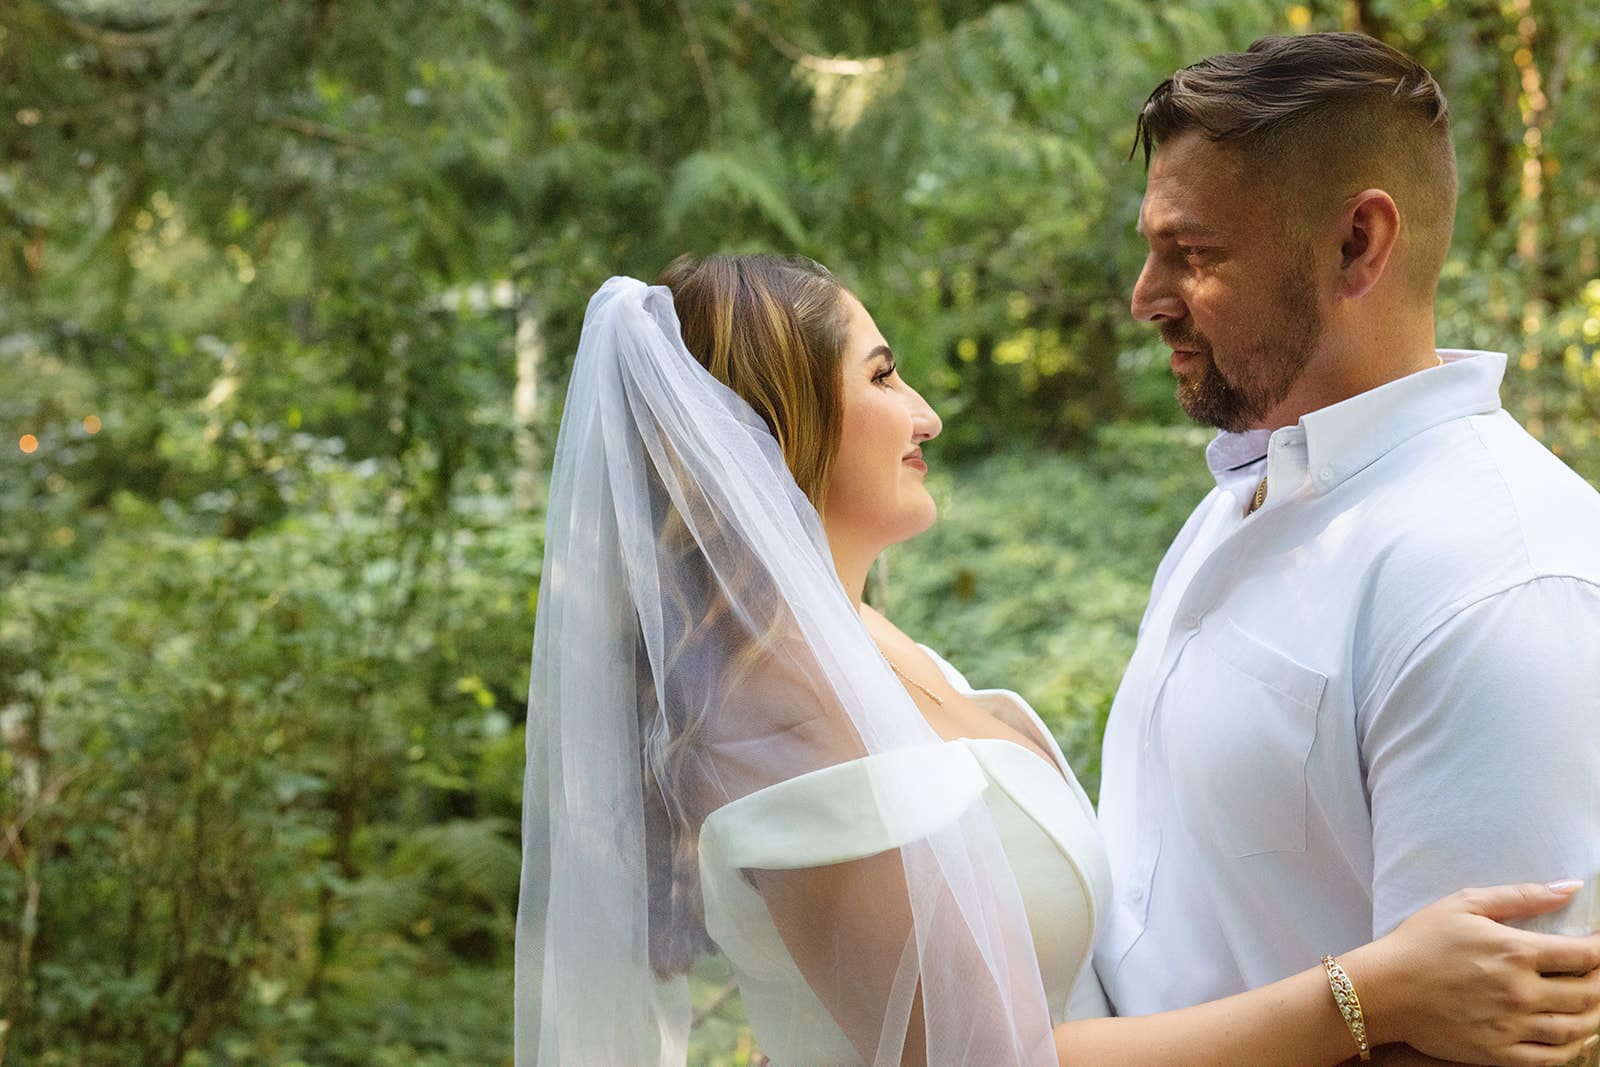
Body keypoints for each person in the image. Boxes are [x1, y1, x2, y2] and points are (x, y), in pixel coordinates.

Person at [515, 253, 1600, 1067]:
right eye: (882, 376)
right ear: (771, 424)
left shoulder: (857, 641)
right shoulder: (774, 712)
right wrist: (1368, 993)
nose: (925, 413)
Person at [1095, 28, 1600, 1065]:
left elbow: (1489, 1043)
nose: (1145, 298)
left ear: (1355, 246)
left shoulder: (1502, 581)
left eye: (1194, 254)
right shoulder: (1237, 499)